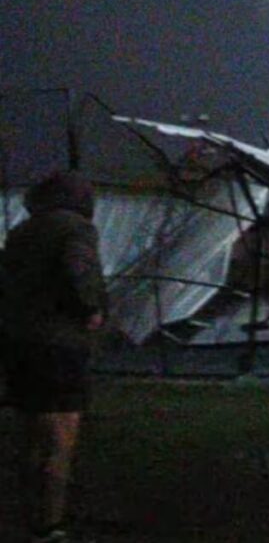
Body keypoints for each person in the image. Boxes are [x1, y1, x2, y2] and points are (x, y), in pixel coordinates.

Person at [1, 171, 107, 542]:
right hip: (60, 345)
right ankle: (51, 521)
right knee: (61, 438)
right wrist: (91, 307)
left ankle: (30, 513)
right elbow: (78, 269)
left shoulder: (21, 233)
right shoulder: (75, 229)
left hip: (19, 342)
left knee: (31, 433)